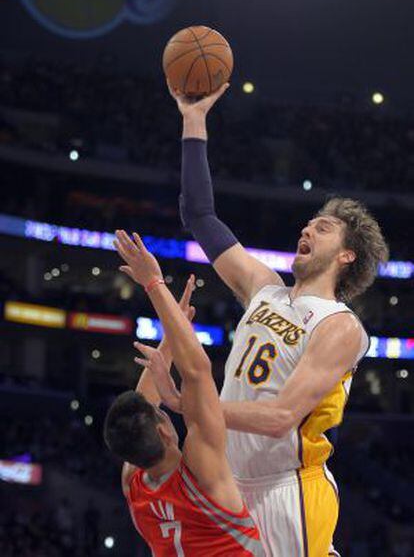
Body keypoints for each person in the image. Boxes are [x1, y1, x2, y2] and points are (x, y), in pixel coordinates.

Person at [164, 83, 390, 556]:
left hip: (287, 492)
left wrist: (195, 406)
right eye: (309, 223)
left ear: (347, 255)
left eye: (323, 227)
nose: (307, 228)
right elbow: (200, 214)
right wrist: (193, 118)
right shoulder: (262, 287)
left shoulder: (339, 326)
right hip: (227, 483)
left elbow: (281, 417)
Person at [104, 230, 264, 556]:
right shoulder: (201, 471)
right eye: (163, 413)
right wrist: (153, 285)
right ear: (164, 430)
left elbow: (143, 406)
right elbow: (197, 371)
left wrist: (173, 335)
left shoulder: (134, 484)